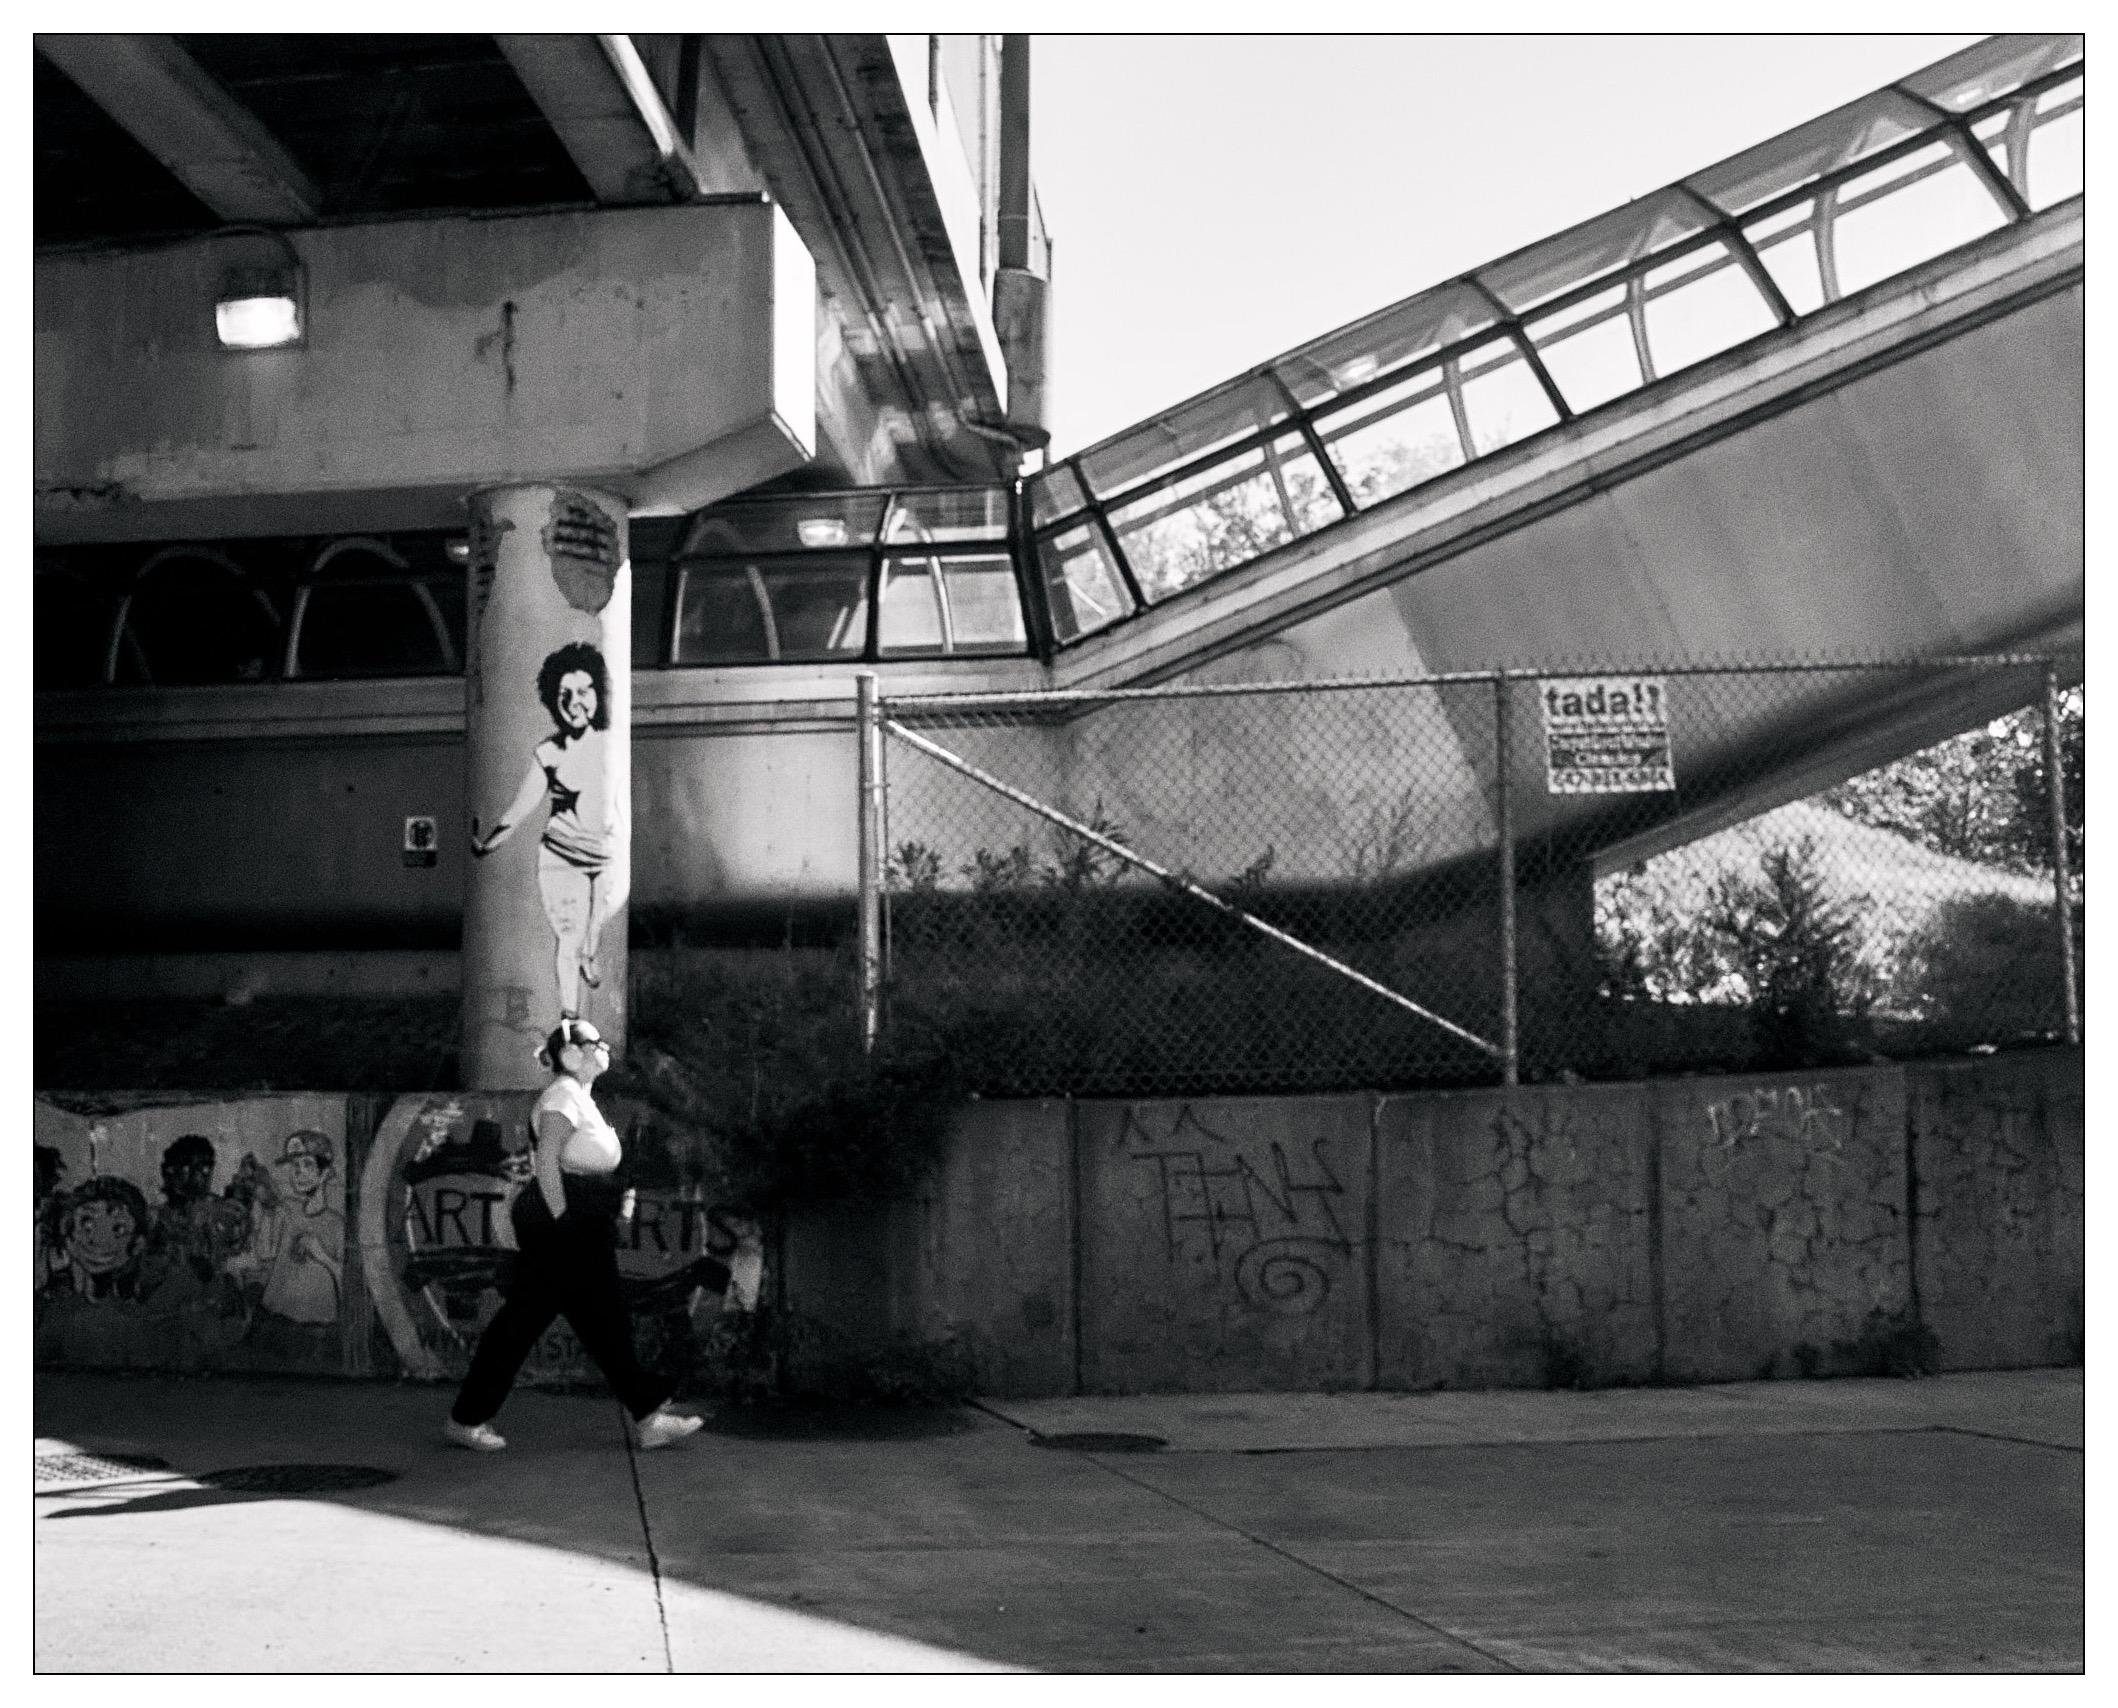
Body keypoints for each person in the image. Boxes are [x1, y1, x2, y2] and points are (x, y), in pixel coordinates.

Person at [445, 1018, 702, 1453]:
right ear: (570, 1054)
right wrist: (565, 1222)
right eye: (594, 1042)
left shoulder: (580, 1097)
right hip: (562, 1225)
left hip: (578, 1222)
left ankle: (648, 1417)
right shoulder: (562, 1096)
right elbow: (547, 1164)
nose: (604, 1048)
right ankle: (467, 1418)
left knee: (593, 1321)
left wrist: (609, 1207)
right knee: (541, 1321)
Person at [470, 641, 628, 1021]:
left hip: (606, 859)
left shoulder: (612, 744)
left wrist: (623, 848)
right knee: (569, 939)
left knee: (592, 936)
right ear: (553, 701)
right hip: (562, 859)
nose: (575, 703)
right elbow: (522, 806)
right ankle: (570, 1022)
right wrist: (487, 844)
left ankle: (589, 954)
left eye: (584, 691)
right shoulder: (550, 753)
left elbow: (620, 803)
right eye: (565, 695)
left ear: (598, 694)